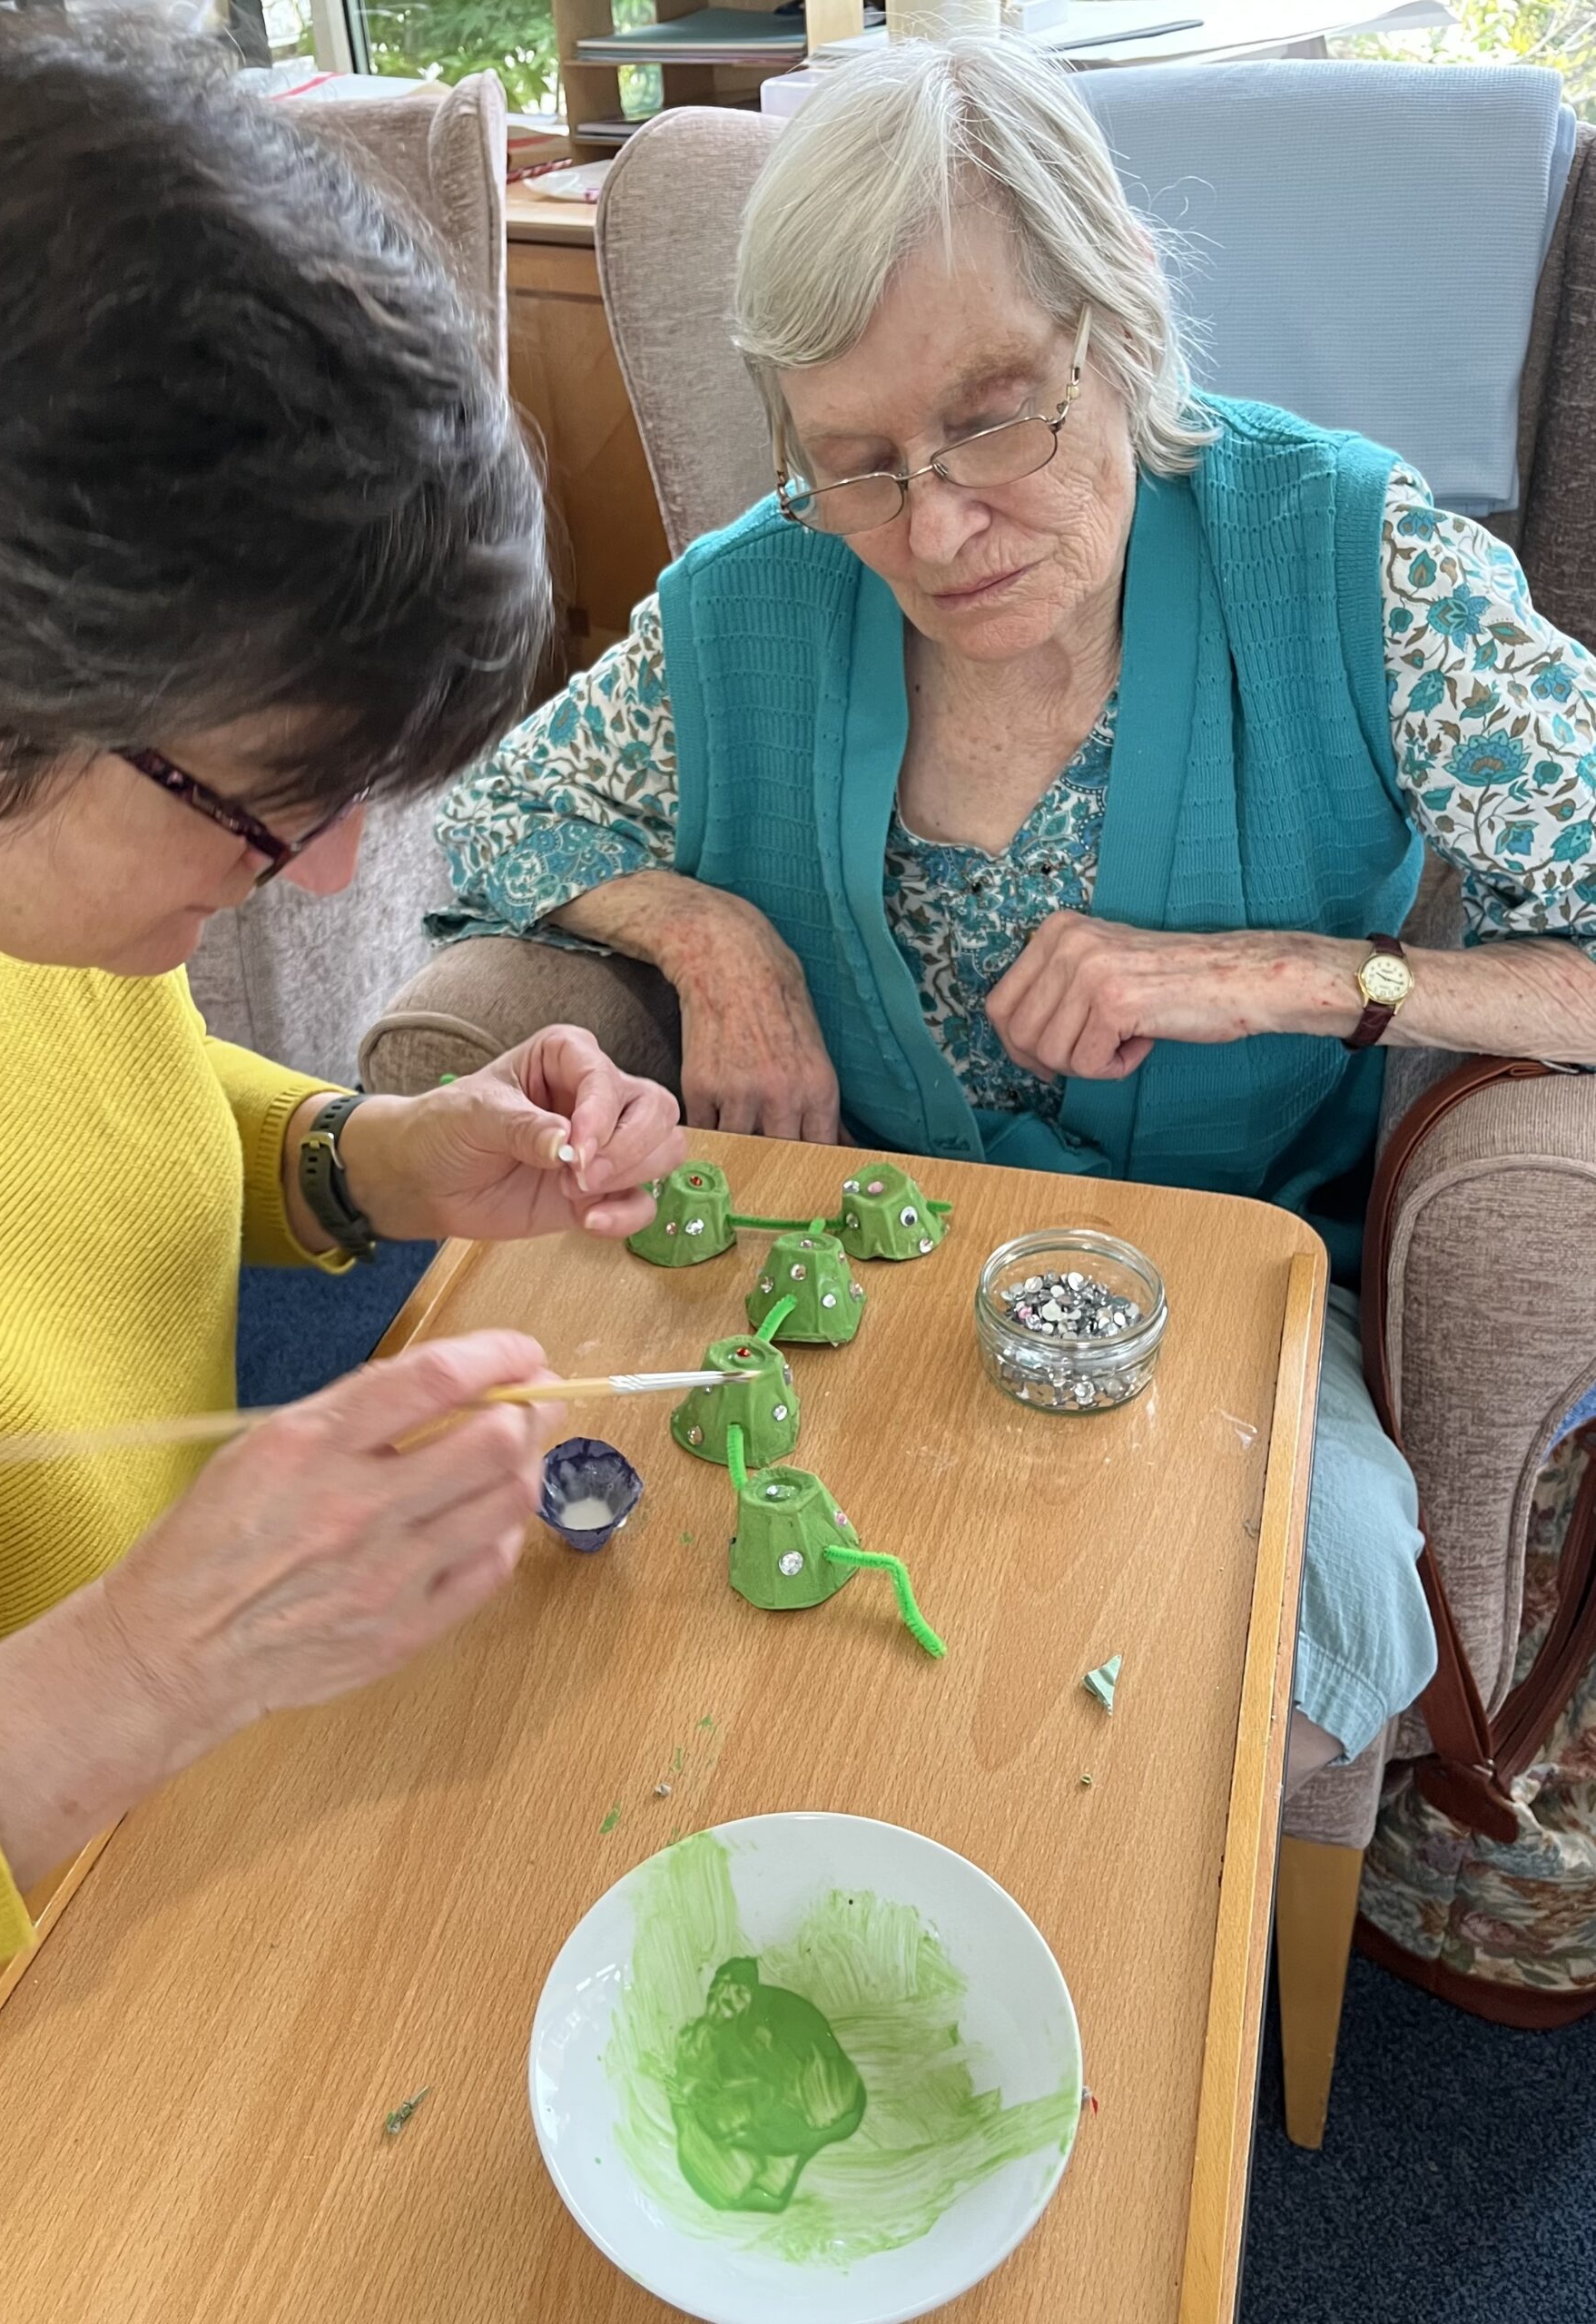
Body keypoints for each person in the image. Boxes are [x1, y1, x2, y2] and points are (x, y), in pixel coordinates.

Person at [0, 16, 682, 2309]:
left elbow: (87, 1137)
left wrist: (372, 1159)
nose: (323, 872)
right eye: (268, 800)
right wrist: (145, 1669)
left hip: (167, 1833)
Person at [434, 43, 1596, 1807]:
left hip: (1229, 1279)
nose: (939, 525)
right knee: (574, 1547)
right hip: (849, 1271)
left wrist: (1288, 976)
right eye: (858, 459)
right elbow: (485, 819)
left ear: (1117, 323)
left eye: (993, 413)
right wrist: (709, 938)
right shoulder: (754, 596)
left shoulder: (1350, 558)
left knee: (1330, 1579)